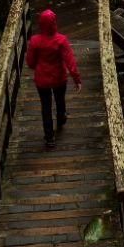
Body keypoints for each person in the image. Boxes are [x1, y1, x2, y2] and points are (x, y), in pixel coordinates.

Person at [25, 8, 82, 148]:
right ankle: (61, 117)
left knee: (46, 107)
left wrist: (37, 67)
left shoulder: (35, 41)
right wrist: (77, 79)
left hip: (42, 80)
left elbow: (30, 62)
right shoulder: (61, 40)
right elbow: (70, 61)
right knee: (59, 99)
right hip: (59, 78)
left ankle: (49, 137)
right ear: (54, 23)